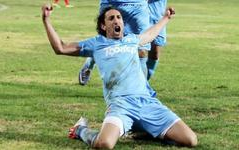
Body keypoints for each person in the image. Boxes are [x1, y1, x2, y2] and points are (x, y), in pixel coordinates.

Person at [42, 4, 197, 149]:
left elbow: (150, 34)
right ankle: (80, 130)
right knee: (105, 144)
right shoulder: (96, 44)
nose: (117, 20)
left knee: (190, 140)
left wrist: (166, 18)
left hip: (147, 103)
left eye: (119, 17)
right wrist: (46, 20)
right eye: (111, 18)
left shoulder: (132, 40)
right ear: (104, 26)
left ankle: (146, 129)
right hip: (120, 105)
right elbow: (60, 48)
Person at [79, 0, 151, 85]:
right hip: (111, 3)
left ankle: (142, 89)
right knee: (105, 45)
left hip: (138, 5)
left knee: (142, 50)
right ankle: (89, 64)